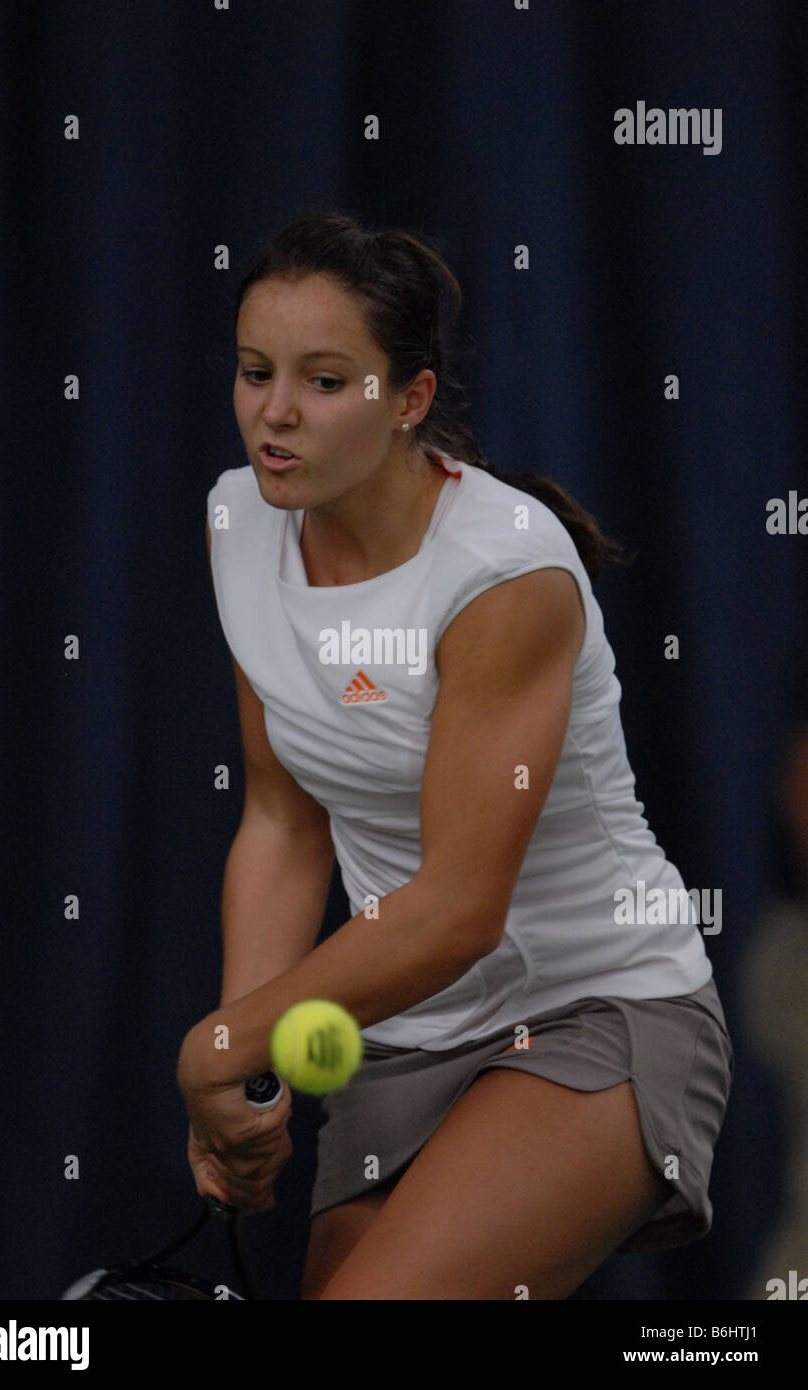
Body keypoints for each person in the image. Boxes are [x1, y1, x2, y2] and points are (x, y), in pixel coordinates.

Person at [176, 210, 734, 1300]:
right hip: (393, 1035)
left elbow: (459, 906)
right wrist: (248, 1083)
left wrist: (224, 1041)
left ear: (409, 401)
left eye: (327, 382)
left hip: (597, 1006)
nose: (274, 414)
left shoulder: (505, 574)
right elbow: (285, 823)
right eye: (255, 372)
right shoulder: (239, 521)